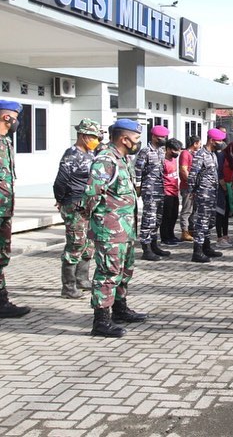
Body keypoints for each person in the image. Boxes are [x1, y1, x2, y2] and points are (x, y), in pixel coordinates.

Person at [81, 118, 148, 337]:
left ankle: (119, 309)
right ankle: (101, 321)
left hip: (124, 228)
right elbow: (92, 194)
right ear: (124, 138)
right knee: (108, 271)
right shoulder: (106, 160)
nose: (138, 141)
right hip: (109, 229)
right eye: (136, 138)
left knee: (124, 270)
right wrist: (92, 223)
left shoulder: (123, 159)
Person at [0, 100, 31, 331]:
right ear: (7, 118)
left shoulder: (5, 142)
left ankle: (1, 303)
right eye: (16, 117)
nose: (18, 122)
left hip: (2, 212)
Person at [53, 118, 103, 299]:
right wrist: (61, 200)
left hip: (88, 206)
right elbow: (60, 181)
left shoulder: (91, 154)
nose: (96, 140)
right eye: (93, 136)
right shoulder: (72, 155)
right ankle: (68, 287)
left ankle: (82, 279)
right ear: (82, 135)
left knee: (88, 244)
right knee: (75, 244)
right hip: (74, 205)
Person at [188, 128, 227, 263]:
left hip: (212, 192)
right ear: (211, 140)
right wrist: (192, 190)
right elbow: (193, 174)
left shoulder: (213, 154)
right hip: (203, 192)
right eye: (219, 140)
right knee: (202, 221)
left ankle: (206, 247)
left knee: (210, 221)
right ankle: (197, 252)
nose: (221, 143)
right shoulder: (201, 154)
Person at [134, 125, 171, 261]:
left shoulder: (161, 151)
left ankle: (154, 245)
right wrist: (138, 186)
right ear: (154, 137)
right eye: (161, 137)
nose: (163, 139)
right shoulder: (145, 151)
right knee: (148, 219)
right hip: (149, 189)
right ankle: (146, 248)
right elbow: (138, 169)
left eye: (164, 137)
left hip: (160, 188)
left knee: (157, 219)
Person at [160, 138, 183, 245]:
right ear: (168, 149)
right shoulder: (162, 161)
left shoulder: (174, 160)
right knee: (166, 216)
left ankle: (171, 234)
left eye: (178, 150)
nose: (177, 153)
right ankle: (165, 237)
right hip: (166, 192)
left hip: (174, 191)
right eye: (174, 150)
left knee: (174, 215)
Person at [178, 135, 201, 242]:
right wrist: (191, 183)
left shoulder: (194, 154)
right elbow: (183, 170)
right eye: (199, 143)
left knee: (194, 210)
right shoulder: (185, 154)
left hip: (195, 187)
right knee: (187, 209)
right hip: (187, 187)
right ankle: (184, 231)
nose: (200, 145)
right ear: (195, 143)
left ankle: (191, 229)